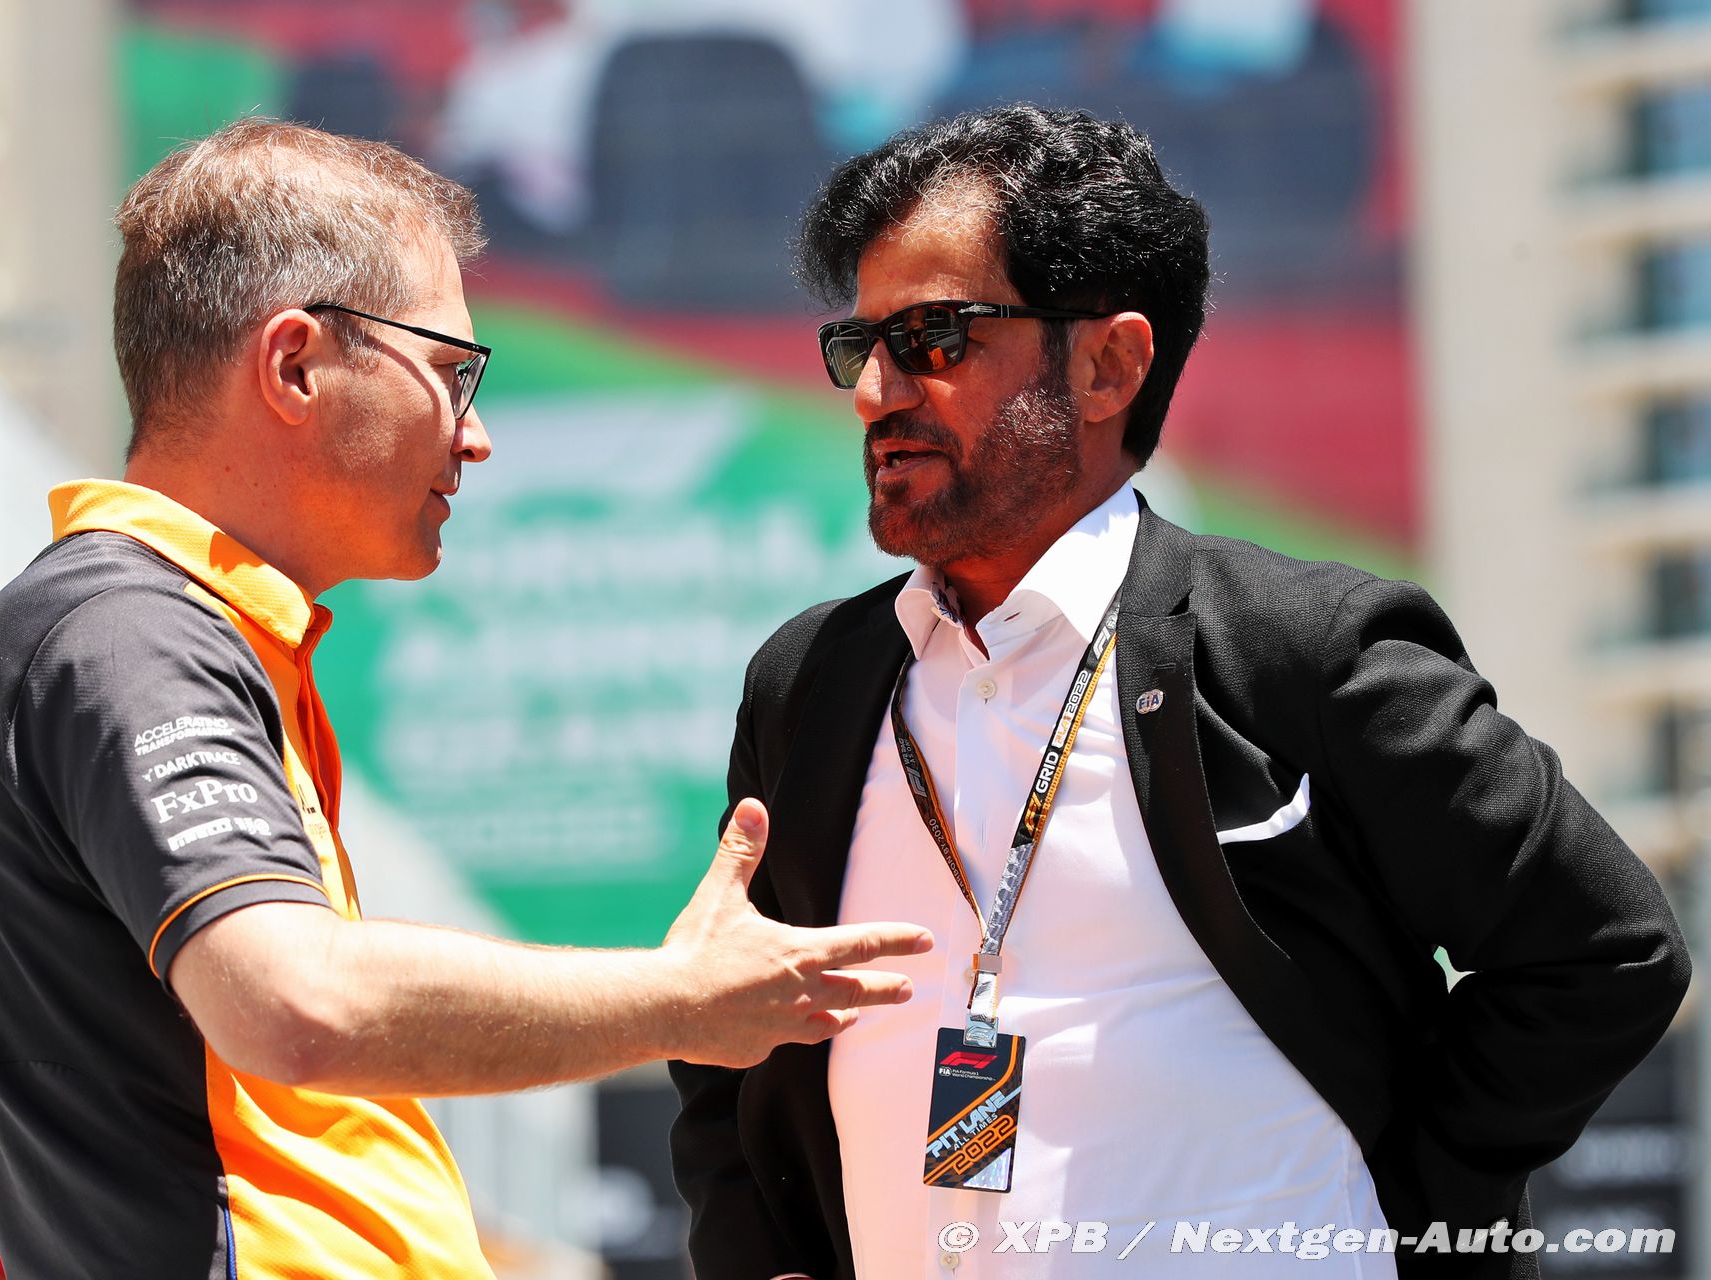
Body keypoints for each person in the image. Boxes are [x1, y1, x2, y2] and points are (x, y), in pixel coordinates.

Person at [667, 105, 1691, 1280]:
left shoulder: (1303, 648)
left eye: (934, 337)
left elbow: (1607, 950)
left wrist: (1396, 1206)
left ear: (1108, 365)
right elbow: (721, 1041)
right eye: (860, 344)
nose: (874, 390)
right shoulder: (810, 683)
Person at [0, 118, 931, 1278]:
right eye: (454, 373)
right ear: (295, 365)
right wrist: (678, 997)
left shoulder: (169, 626)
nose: (479, 435)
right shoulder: (126, 629)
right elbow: (296, 1001)